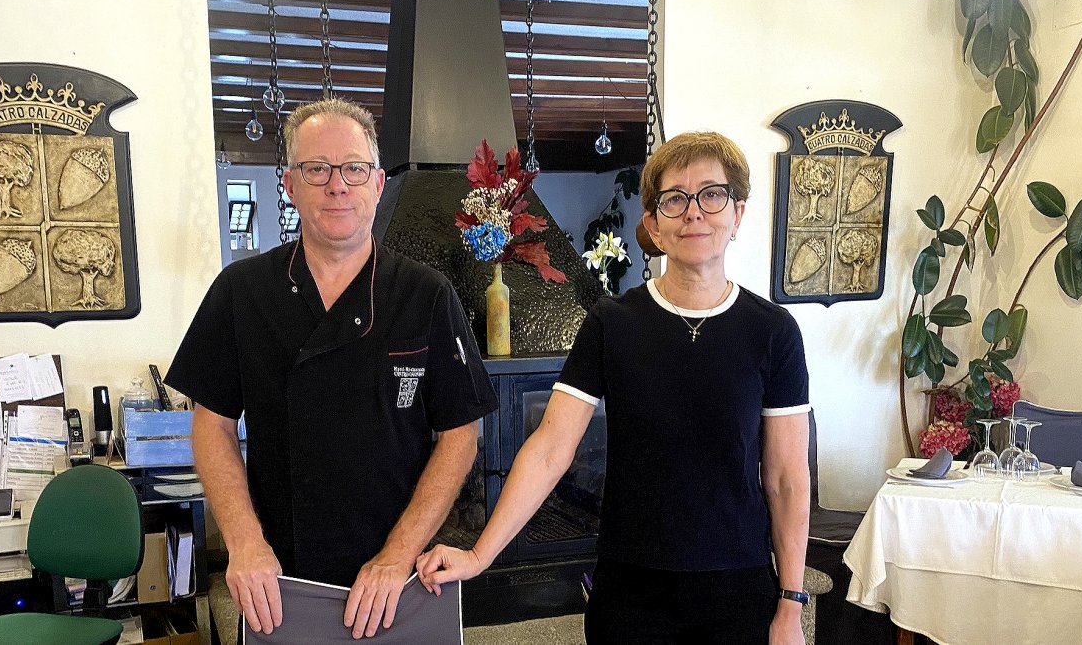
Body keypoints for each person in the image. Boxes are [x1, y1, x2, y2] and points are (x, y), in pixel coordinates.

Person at [417, 131, 811, 645]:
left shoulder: (773, 331)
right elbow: (548, 449)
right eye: (674, 199)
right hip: (631, 587)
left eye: (712, 195)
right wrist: (479, 553)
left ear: (737, 213)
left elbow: (785, 479)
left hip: (738, 586)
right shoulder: (611, 323)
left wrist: (790, 603)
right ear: (653, 224)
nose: (694, 213)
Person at [166, 98, 498, 639]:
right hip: (282, 575)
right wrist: (245, 543)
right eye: (316, 169)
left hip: (403, 575)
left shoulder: (425, 294)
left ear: (377, 184)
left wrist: (396, 554)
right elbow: (213, 423)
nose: (336, 185)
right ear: (289, 184)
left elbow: (460, 433)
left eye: (353, 169)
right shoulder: (242, 291)